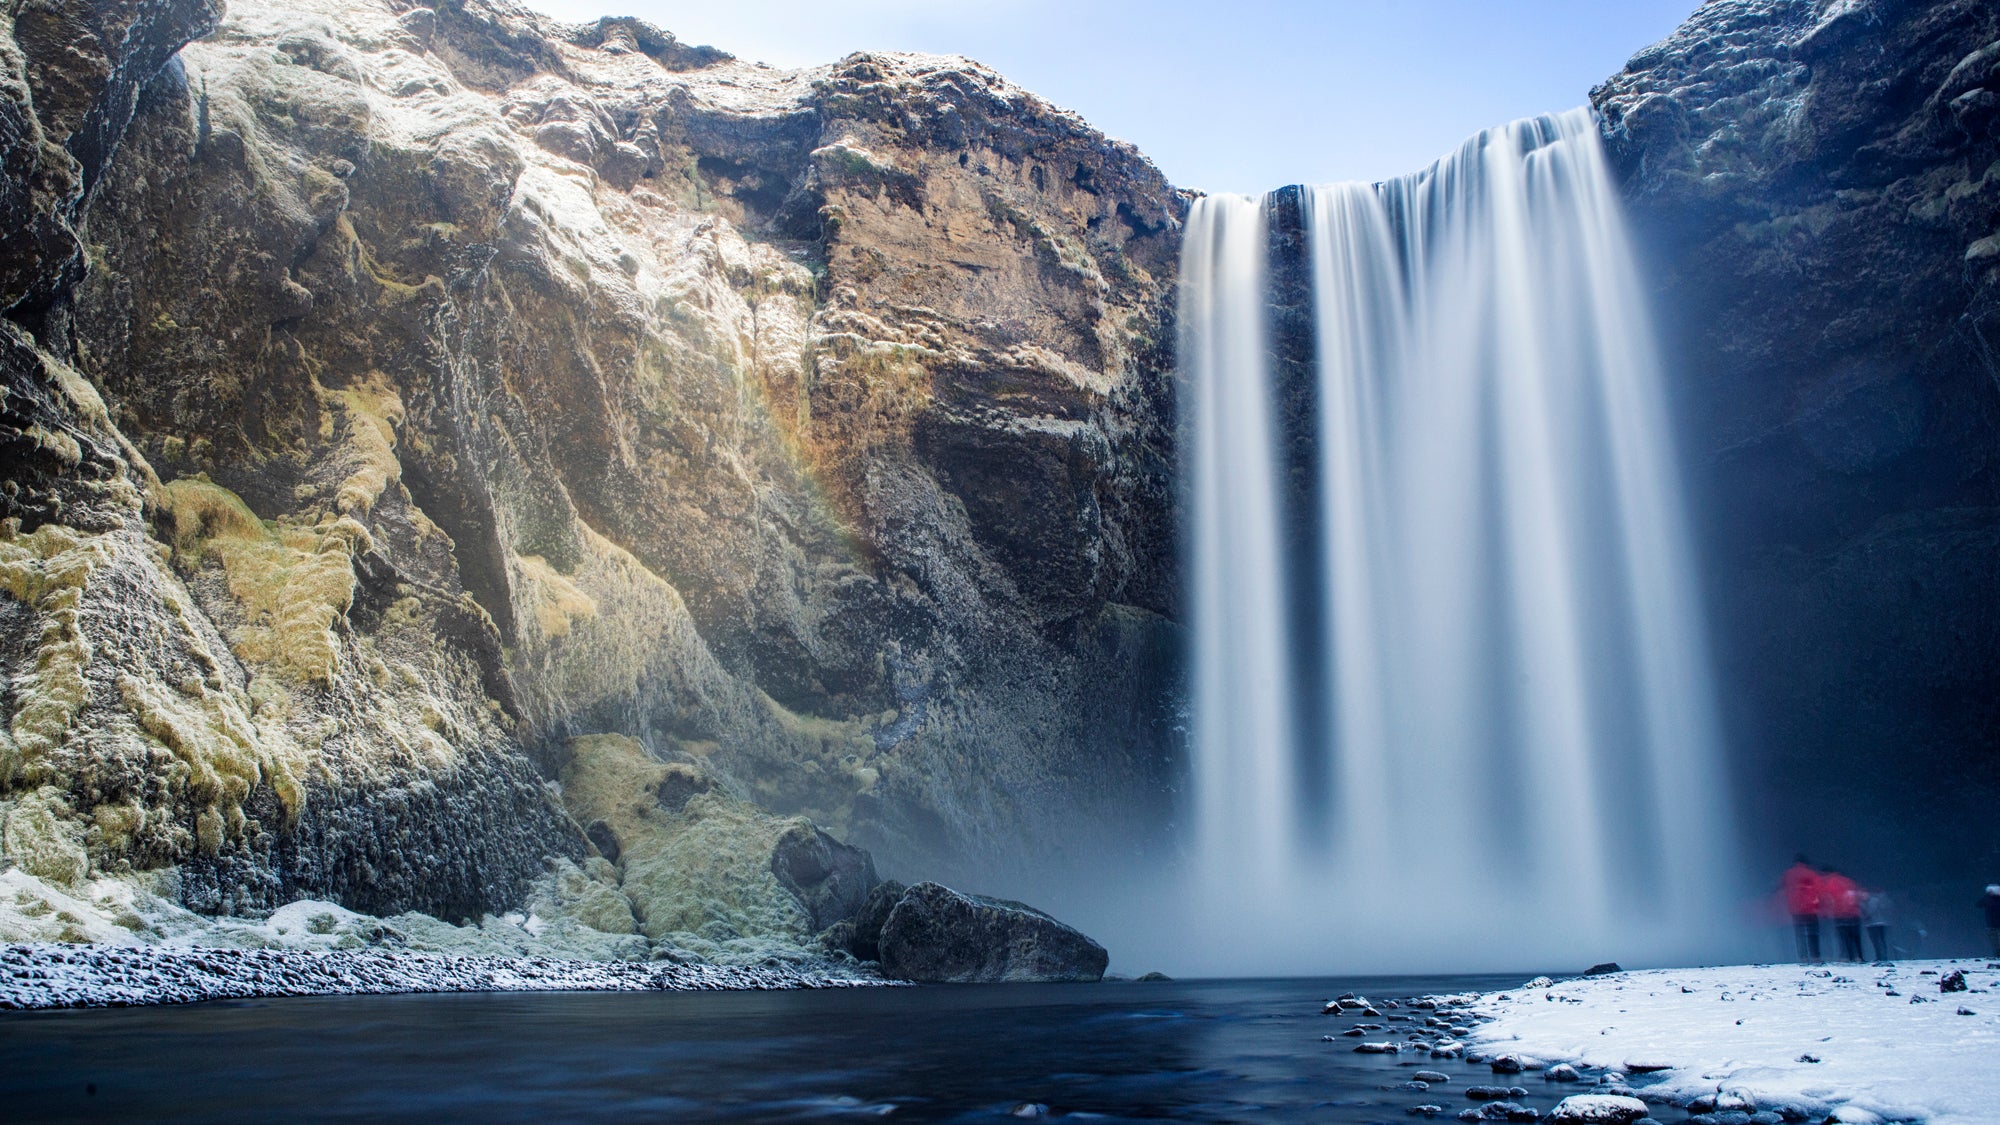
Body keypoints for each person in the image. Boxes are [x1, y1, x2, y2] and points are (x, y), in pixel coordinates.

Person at [1782, 856, 1822, 963]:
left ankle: (1802, 957)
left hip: (1796, 909)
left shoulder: (1788, 874)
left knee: (1799, 935)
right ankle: (1815, 957)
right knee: (1812, 934)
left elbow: (1782, 887)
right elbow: (1819, 889)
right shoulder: (1811, 873)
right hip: (1810, 909)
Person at [1820, 868, 1864, 962]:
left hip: (1840, 914)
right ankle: (1859, 956)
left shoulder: (1830, 883)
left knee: (1844, 938)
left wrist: (1825, 912)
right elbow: (1858, 896)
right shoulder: (1849, 882)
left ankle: (1849, 956)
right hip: (1854, 914)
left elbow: (1828, 899)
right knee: (1856, 938)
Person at [1861, 888, 1894, 962]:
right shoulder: (1875, 900)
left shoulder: (1873, 901)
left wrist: (1862, 908)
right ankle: (1880, 957)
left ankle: (1882, 957)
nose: (1863, 896)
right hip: (1874, 924)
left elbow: (1869, 912)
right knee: (1878, 941)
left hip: (1875, 923)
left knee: (1878, 941)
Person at [1981, 885, 2000, 958]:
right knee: (1995, 942)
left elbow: (1979, 904)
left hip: (1992, 924)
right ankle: (1998, 955)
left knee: (1995, 942)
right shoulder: (1989, 900)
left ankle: (1998, 955)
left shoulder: (1989, 900)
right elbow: (1979, 904)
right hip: (1991, 925)